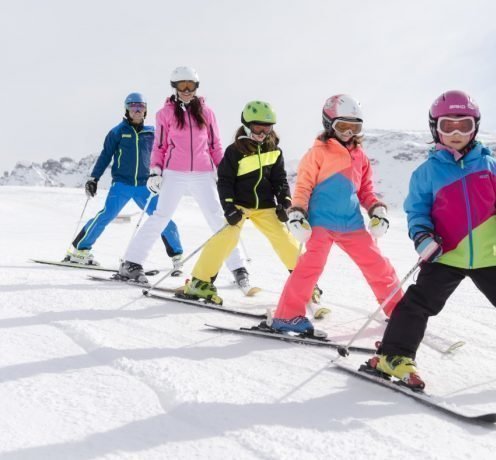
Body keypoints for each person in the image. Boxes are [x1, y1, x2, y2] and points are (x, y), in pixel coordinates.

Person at [367, 90, 496, 390]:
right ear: (435, 127)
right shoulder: (426, 173)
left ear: (476, 127)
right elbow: (417, 211)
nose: (457, 133)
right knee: (416, 305)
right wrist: (422, 238)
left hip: (491, 256)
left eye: (465, 125)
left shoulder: (491, 168)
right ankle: (394, 356)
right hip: (445, 254)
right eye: (448, 125)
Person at [268, 94, 400, 334]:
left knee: (378, 265)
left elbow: (365, 190)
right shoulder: (317, 153)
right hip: (321, 221)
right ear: (329, 124)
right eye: (343, 127)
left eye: (354, 127)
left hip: (352, 223)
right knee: (310, 266)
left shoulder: (360, 156)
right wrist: (297, 213)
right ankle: (287, 315)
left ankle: (398, 309)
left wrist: (376, 209)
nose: (349, 133)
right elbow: (304, 186)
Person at [118, 66, 249, 285]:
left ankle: (238, 267)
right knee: (161, 216)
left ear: (196, 87)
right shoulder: (165, 113)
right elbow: (159, 146)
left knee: (217, 218)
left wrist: (225, 171)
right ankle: (131, 262)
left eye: (190, 86)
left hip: (203, 172)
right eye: (182, 86)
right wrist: (155, 171)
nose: (186, 90)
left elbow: (215, 145)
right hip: (174, 172)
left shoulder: (207, 113)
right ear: (175, 87)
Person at [183, 100, 319, 302]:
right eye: (257, 127)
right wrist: (229, 207)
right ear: (246, 124)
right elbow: (225, 182)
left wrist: (285, 202)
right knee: (225, 238)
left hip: (265, 206)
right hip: (239, 205)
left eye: (267, 127)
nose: (262, 132)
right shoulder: (234, 151)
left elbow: (279, 180)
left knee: (284, 239)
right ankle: (199, 282)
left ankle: (305, 283)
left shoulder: (274, 150)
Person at [64, 92, 183, 268]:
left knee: (162, 217)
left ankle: (177, 256)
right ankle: (80, 250)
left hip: (146, 186)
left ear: (145, 110)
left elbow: (164, 154)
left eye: (140, 107)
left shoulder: (152, 133)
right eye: (133, 107)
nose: (137, 111)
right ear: (126, 110)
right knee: (106, 215)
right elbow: (105, 156)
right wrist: (94, 178)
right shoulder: (117, 132)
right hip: (122, 184)